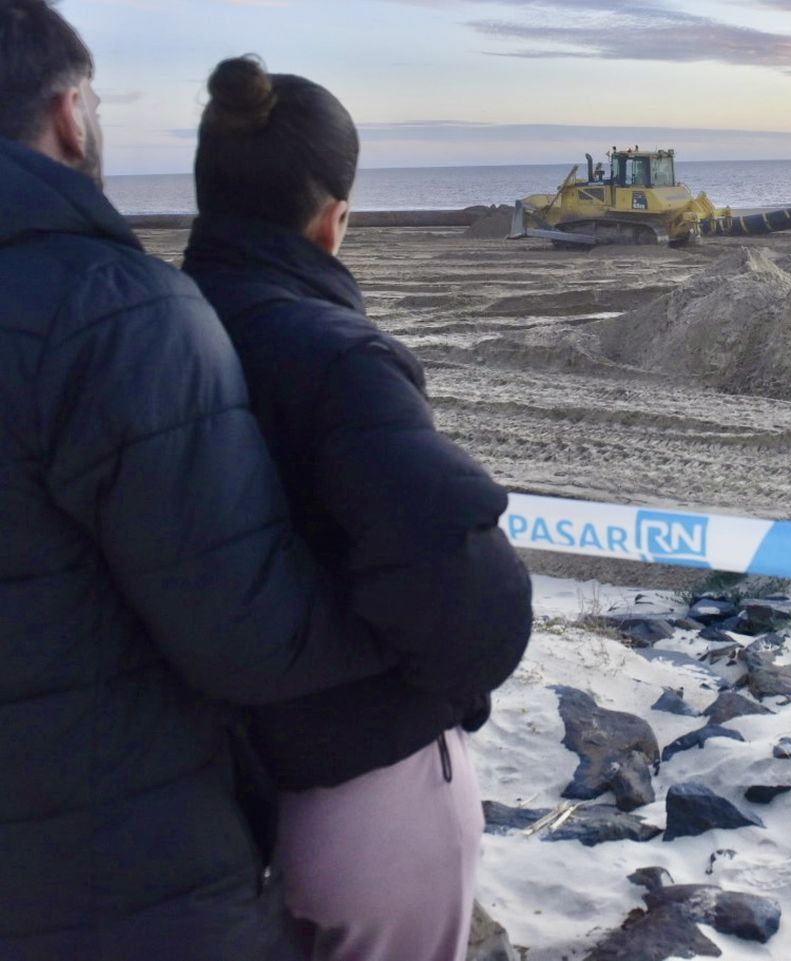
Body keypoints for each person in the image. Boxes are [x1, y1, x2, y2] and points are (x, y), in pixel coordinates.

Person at [0, 4, 397, 960]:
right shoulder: (113, 311)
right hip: (113, 880)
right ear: (69, 116)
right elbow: (250, 635)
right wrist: (422, 639)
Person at [181, 57, 534, 961]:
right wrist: (446, 691)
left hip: (191, 785)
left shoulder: (145, 334)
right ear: (334, 219)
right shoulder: (340, 358)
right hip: (361, 785)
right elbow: (464, 596)